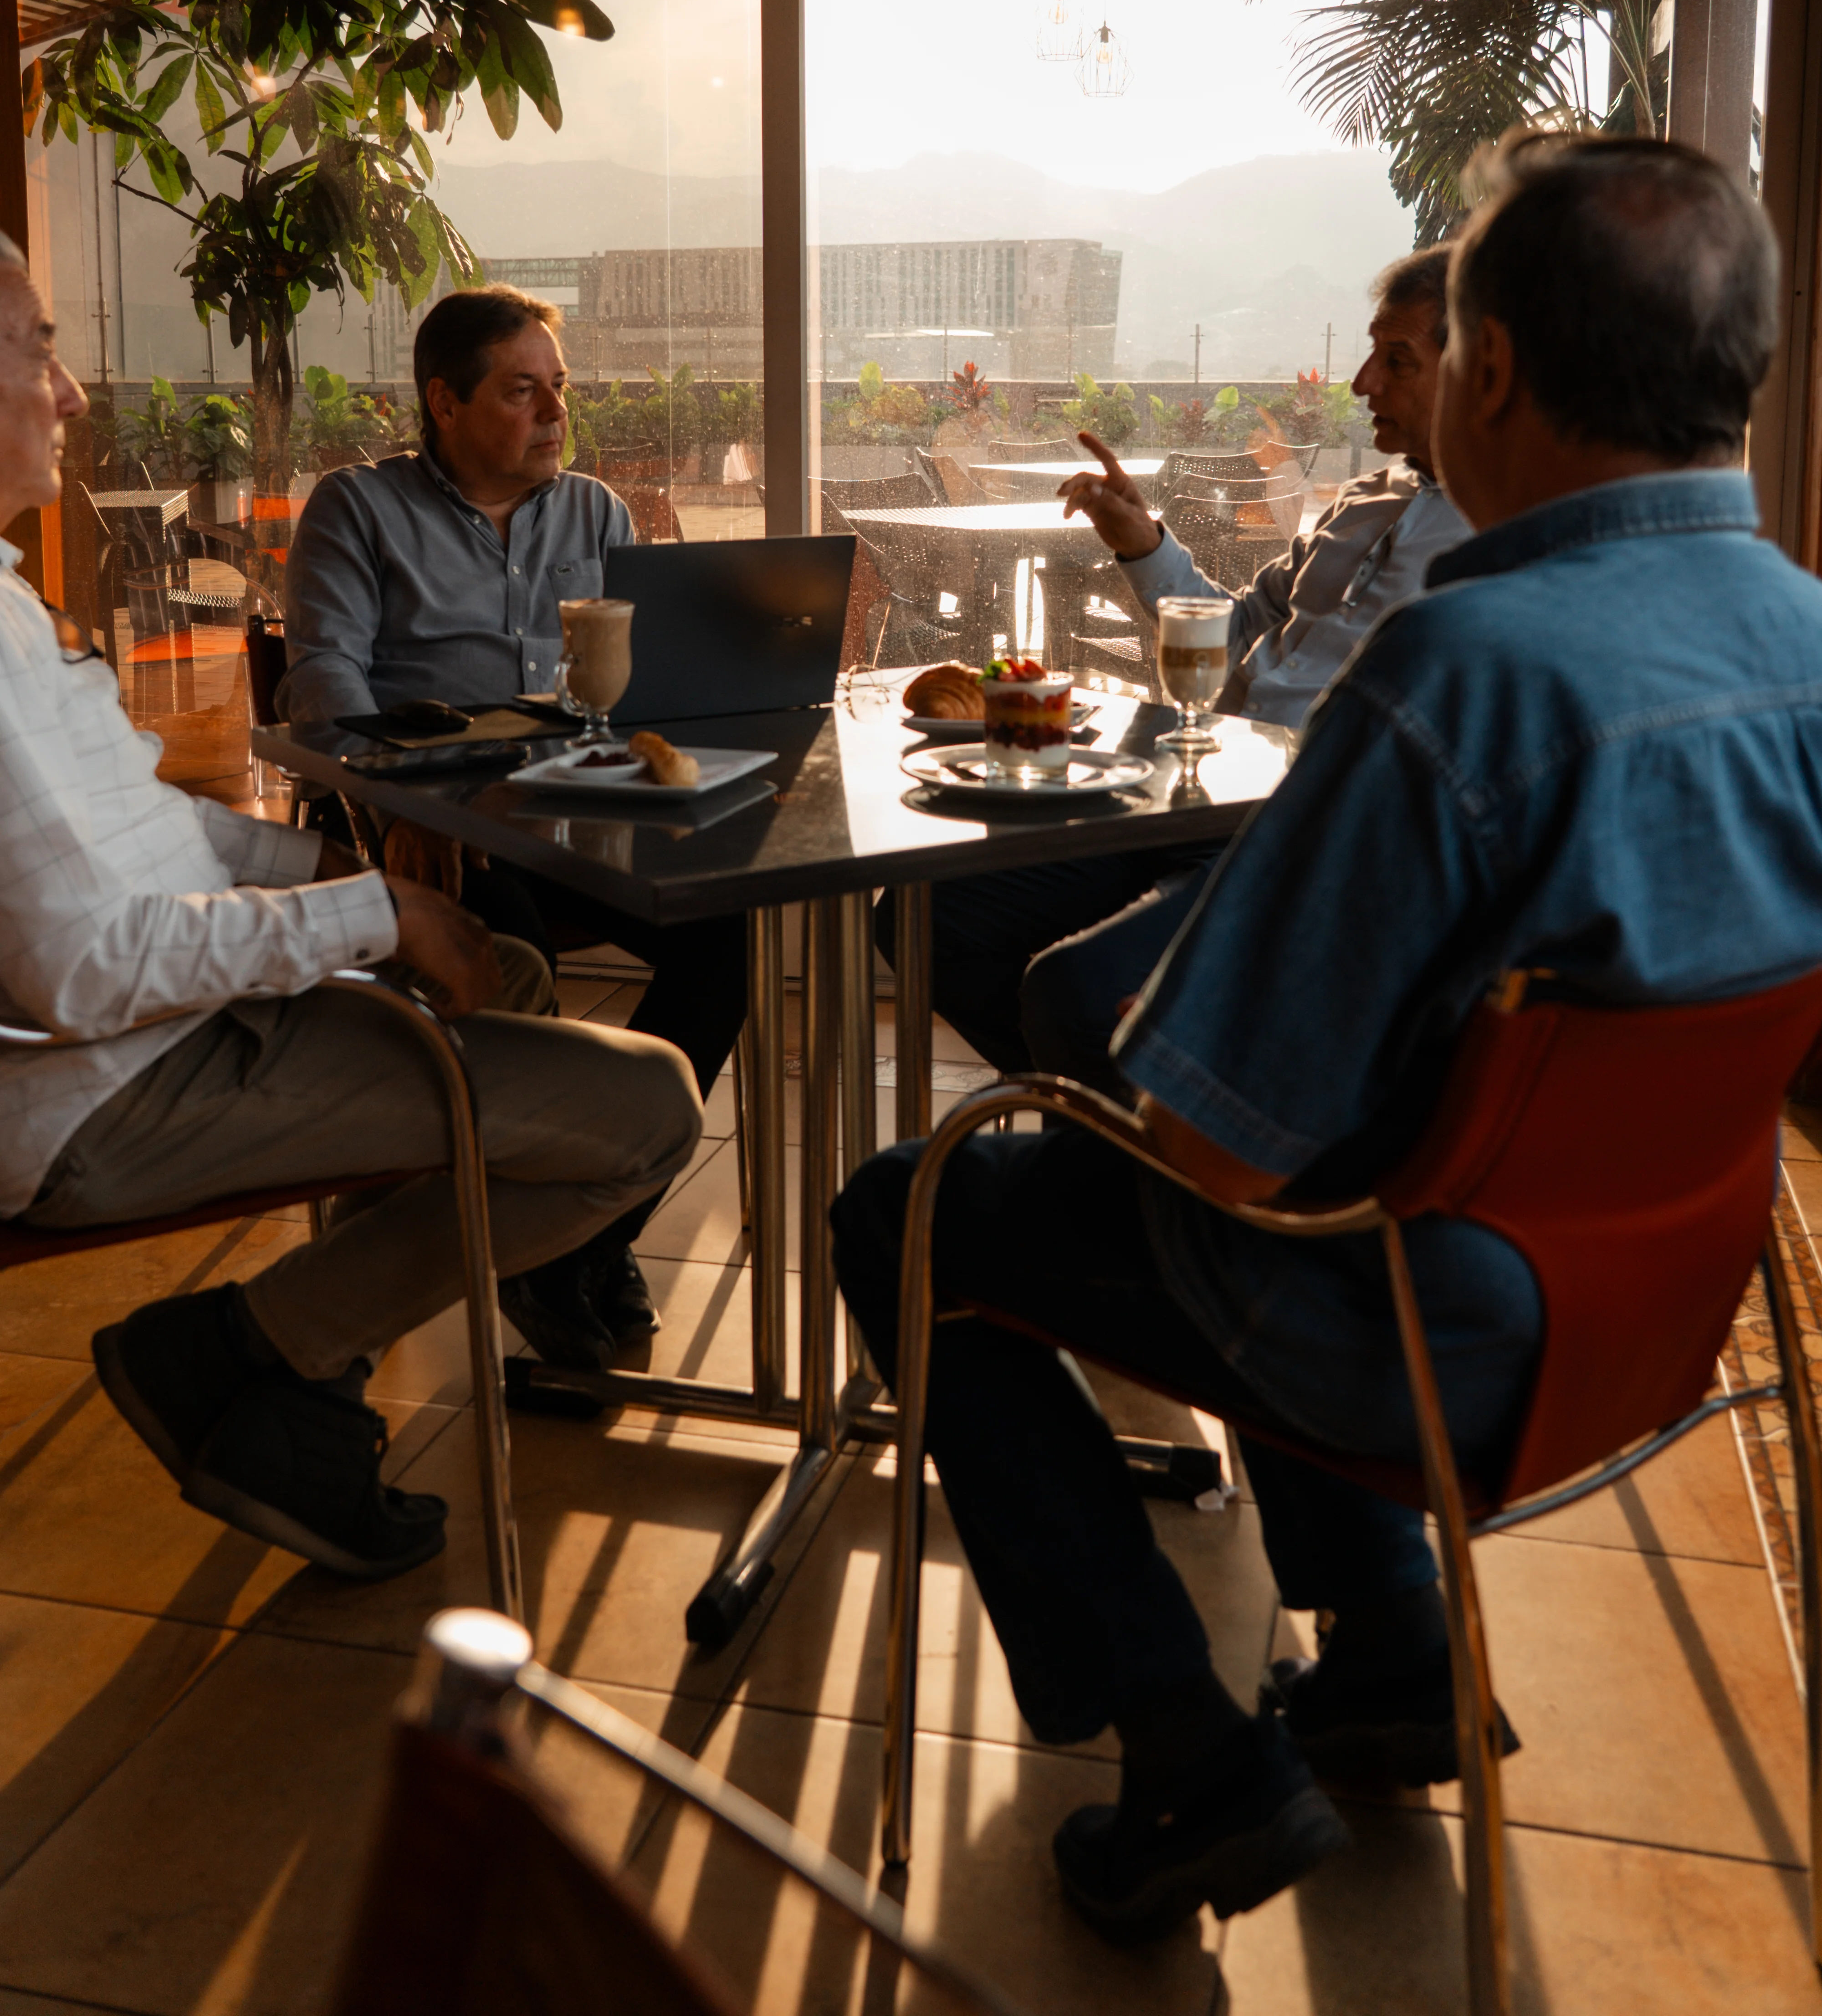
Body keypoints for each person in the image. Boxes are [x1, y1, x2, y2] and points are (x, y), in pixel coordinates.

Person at [834, 134, 1822, 1943]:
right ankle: (1385, 1661)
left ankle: (1188, 1757)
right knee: (1334, 1138)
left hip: (1420, 1342)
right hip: (1658, 1327)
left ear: (1497, 371)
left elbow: (1213, 1150)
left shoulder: (1465, 674)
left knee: (909, 1209)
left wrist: (1096, 1024)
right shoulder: (1812, 643)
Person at [0, 234, 699, 1581]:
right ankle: (248, 1353)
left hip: (168, 1035)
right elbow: (80, 968)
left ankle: (305, 1383)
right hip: (104, 1090)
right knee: (647, 1108)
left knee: (511, 974)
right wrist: (373, 906)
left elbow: (146, 834)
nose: (77, 393)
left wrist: (320, 881)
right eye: (40, 345)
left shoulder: (13, 602)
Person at [281, 283, 747, 1372]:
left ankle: (576, 1241)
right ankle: (539, 1232)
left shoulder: (594, 512)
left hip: (578, 815)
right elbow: (323, 684)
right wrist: (393, 807)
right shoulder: (357, 508)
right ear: (444, 401)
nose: (554, 416)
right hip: (436, 827)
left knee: (723, 942)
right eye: (521, 392)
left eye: (560, 391)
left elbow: (640, 694)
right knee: (511, 955)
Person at [880, 246, 1468, 1088]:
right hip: (1192, 799)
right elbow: (1230, 637)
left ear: (1487, 372)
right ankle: (1124, 1130)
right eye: (1371, 352)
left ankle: (1133, 1143)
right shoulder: (1359, 504)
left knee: (1073, 992)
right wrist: (1143, 545)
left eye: (1397, 359)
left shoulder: (1516, 545)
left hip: (1302, 844)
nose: (1363, 381)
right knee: (921, 915)